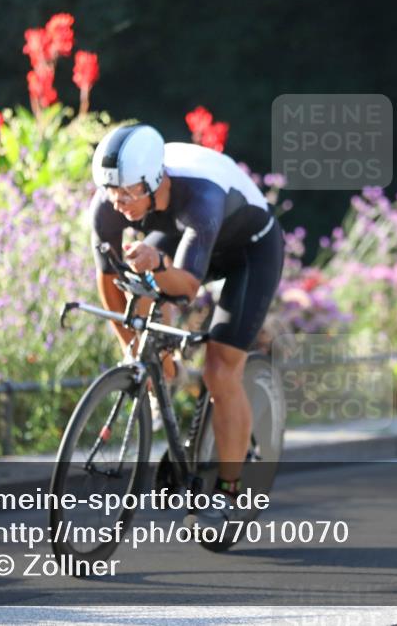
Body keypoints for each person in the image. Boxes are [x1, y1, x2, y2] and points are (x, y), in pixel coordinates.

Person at [88, 124, 284, 528]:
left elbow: (187, 288)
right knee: (135, 285)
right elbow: (108, 280)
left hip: (249, 251)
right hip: (181, 233)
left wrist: (159, 267)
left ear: (154, 180)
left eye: (128, 193)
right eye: (112, 192)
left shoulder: (202, 196)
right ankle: (166, 373)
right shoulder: (108, 204)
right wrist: (132, 345)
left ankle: (230, 489)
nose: (118, 203)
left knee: (220, 371)